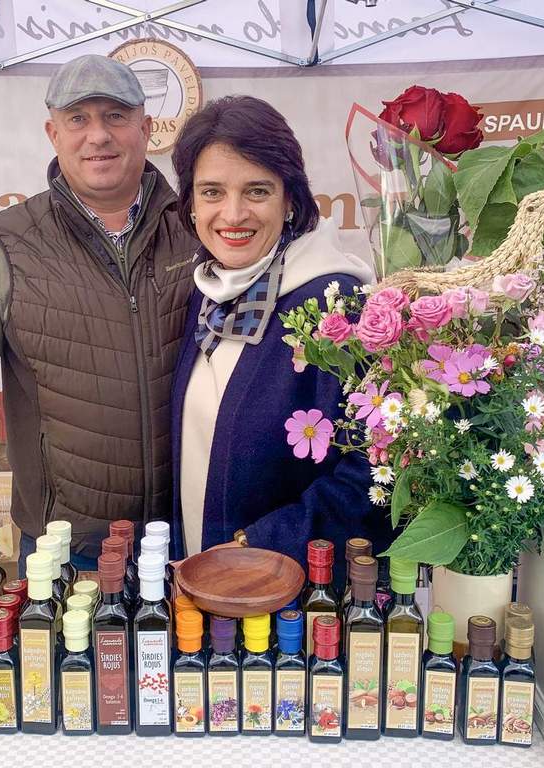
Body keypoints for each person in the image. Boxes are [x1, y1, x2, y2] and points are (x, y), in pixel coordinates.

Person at [0, 55, 197, 585]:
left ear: (147, 128)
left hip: (192, 539)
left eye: (116, 116)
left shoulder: (199, 231)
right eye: (78, 119)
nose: (98, 135)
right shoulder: (5, 246)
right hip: (66, 551)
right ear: (53, 134)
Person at [169, 95, 387, 587]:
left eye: (257, 191)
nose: (233, 214)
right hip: (207, 585)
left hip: (290, 596)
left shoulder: (335, 308)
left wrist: (259, 547)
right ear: (191, 203)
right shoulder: (206, 293)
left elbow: (373, 476)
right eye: (211, 192)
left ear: (290, 199)